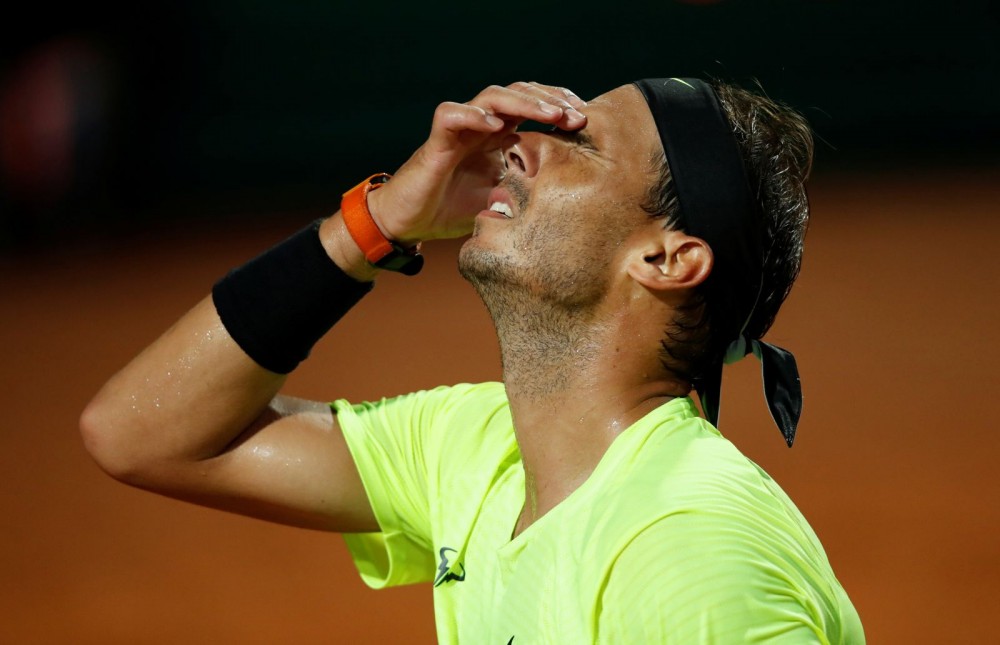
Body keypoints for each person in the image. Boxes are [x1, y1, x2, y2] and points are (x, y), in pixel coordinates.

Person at [81, 78, 865, 643]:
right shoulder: (476, 448)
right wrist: (377, 222)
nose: (515, 143)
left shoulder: (687, 546)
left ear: (665, 258)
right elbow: (140, 433)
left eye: (576, 143)